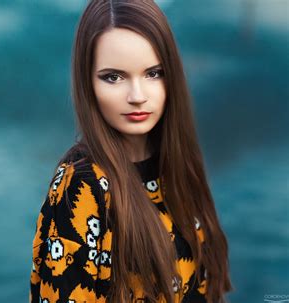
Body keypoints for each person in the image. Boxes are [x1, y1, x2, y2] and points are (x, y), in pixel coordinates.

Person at [29, 1, 233, 302]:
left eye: (153, 73)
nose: (137, 96)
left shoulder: (177, 162)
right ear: (88, 83)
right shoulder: (82, 184)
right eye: (114, 77)